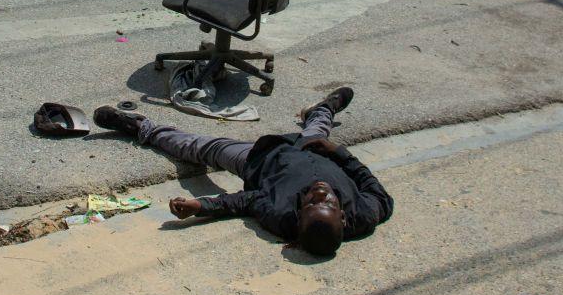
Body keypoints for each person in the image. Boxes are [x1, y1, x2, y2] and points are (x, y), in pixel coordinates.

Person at [93, 87, 393, 256]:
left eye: (313, 203)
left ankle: (140, 127)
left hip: (261, 159)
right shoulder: (367, 213)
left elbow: (244, 202)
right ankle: (323, 108)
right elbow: (373, 186)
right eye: (328, 203)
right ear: (343, 216)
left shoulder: (279, 214)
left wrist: (201, 206)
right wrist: (338, 153)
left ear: (299, 215)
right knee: (319, 127)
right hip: (314, 149)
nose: (320, 193)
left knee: (201, 148)